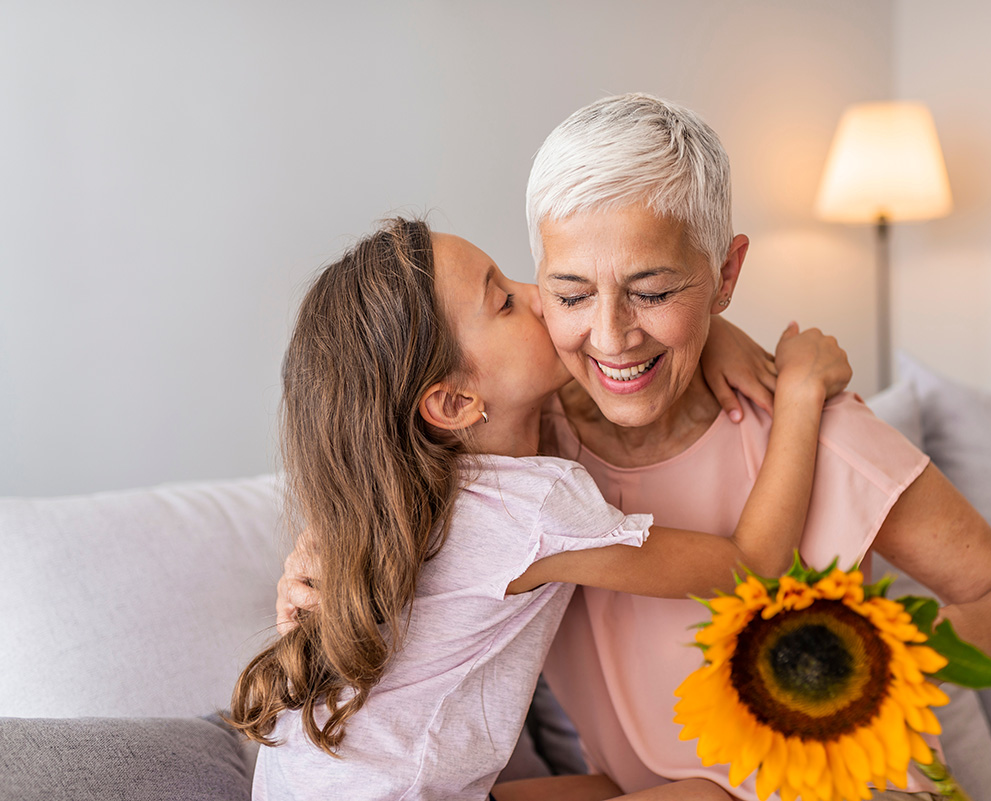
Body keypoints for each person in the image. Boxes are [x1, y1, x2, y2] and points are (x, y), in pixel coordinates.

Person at [278, 94, 991, 800]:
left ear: (725, 275)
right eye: (569, 293)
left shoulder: (818, 431)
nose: (611, 335)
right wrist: (319, 556)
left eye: (655, 291)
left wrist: (872, 656)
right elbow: (385, 454)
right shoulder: (525, 444)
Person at [232, 216, 854, 801]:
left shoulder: (401, 489)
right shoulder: (527, 507)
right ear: (451, 404)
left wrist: (713, 334)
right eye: (502, 300)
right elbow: (751, 565)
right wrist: (799, 394)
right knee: (707, 796)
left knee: (611, 787)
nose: (539, 294)